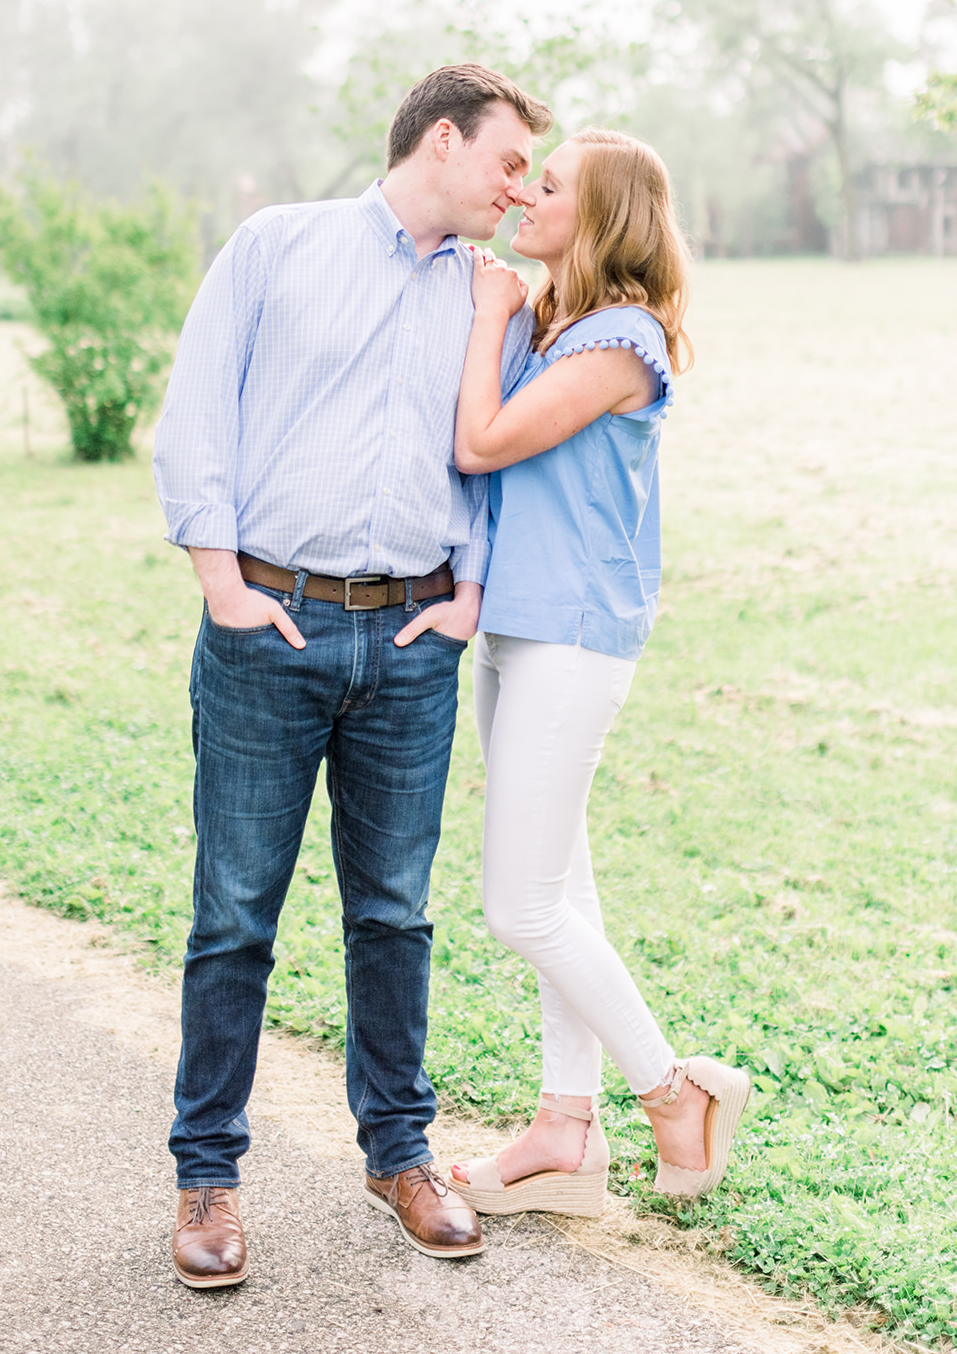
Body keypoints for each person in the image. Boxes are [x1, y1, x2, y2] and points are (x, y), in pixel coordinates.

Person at [151, 63, 552, 1287]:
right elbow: (195, 410)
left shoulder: (495, 296)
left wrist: (468, 591)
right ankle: (207, 1179)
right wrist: (223, 580)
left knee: (392, 913)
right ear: (443, 139)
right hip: (267, 627)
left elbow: (482, 455)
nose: (519, 189)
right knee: (234, 917)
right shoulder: (278, 245)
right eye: (507, 163)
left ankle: (399, 1154)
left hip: (410, 644)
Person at [446, 128, 751, 1218]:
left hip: (574, 635)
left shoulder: (619, 341)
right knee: (560, 888)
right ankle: (563, 1135)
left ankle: (671, 1094)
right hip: (520, 629)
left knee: (520, 906)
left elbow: (480, 443)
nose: (527, 192)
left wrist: (488, 317)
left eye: (552, 183)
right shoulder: (556, 320)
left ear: (606, 214)